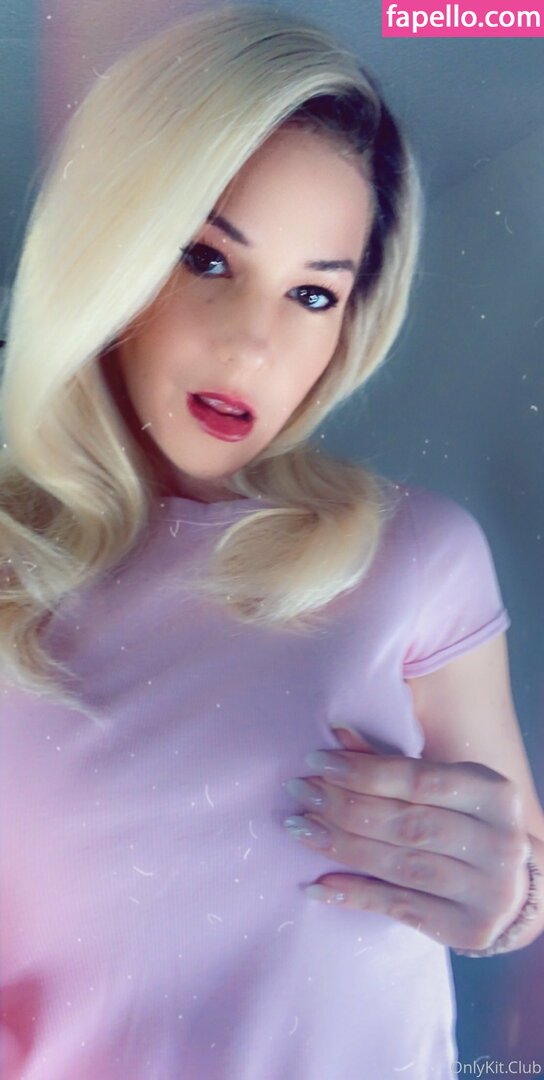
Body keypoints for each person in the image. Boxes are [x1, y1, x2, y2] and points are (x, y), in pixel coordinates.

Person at [0, 7, 542, 1078]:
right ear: (111, 244)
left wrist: (506, 900)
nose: (256, 343)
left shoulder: (416, 555)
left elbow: (521, 873)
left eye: (311, 293)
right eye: (207, 258)